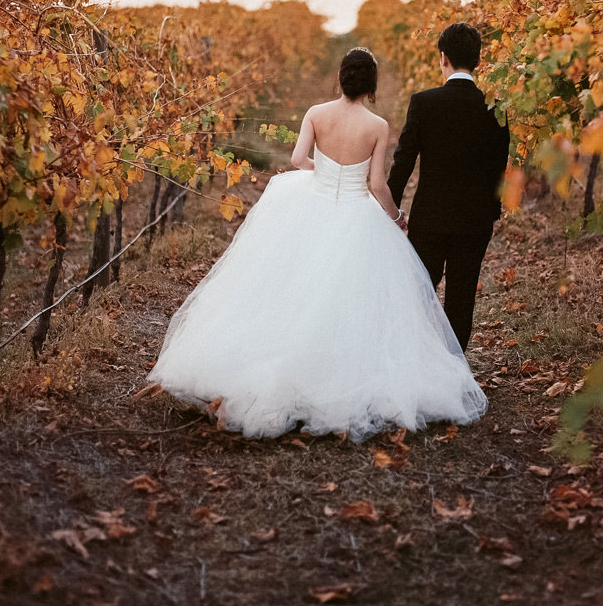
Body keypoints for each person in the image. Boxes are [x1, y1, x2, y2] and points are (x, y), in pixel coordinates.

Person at [147, 47, 487, 442]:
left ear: (340, 78)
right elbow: (378, 184)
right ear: (372, 86)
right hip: (358, 212)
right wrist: (395, 218)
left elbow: (296, 159)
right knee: (350, 297)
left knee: (295, 286)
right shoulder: (376, 125)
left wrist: (324, 171)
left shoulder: (316, 113)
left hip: (314, 202)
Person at [388, 23, 510, 351]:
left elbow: (403, 161)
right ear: (478, 61)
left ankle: (421, 358)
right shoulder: (495, 110)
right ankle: (453, 366)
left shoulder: (424, 103)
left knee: (421, 291)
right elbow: (499, 168)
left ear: (443, 58)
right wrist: (491, 213)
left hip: (430, 217)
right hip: (475, 221)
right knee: (462, 295)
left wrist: (390, 208)